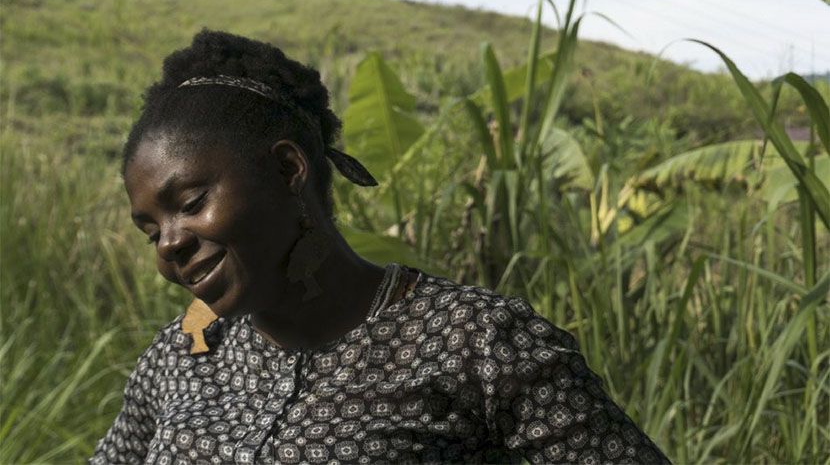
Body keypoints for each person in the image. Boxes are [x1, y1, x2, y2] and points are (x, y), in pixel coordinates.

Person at [89, 29, 670, 464]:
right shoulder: (184, 353)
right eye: (150, 229)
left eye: (191, 203)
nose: (170, 245)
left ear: (288, 168)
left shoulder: (480, 344)